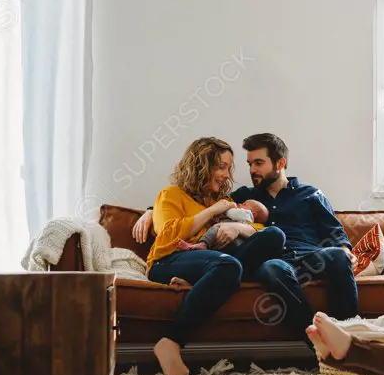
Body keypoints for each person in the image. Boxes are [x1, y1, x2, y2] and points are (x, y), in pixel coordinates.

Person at [134, 133, 358, 335]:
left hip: (310, 257)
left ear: (280, 163)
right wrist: (151, 211)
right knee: (272, 268)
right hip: (274, 261)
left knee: (338, 257)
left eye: (259, 163)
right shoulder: (244, 196)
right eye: (250, 164)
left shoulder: (310, 194)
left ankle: (349, 337)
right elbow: (196, 199)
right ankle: (318, 340)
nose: (252, 170)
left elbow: (334, 231)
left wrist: (346, 250)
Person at [145, 137, 286, 375]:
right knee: (227, 265)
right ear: (201, 166)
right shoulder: (171, 195)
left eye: (228, 168)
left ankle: (205, 283)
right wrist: (213, 211)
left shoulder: (224, 201)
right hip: (170, 260)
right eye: (220, 167)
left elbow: (257, 226)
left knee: (275, 235)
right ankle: (170, 342)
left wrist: (239, 228)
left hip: (218, 260)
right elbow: (167, 234)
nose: (225, 174)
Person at [177, 199, 270, 251]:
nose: (240, 203)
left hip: (230, 237)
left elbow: (231, 213)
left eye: (244, 204)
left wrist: (227, 206)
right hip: (234, 243)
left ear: (253, 214)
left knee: (215, 227)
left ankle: (202, 244)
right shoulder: (251, 224)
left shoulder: (246, 214)